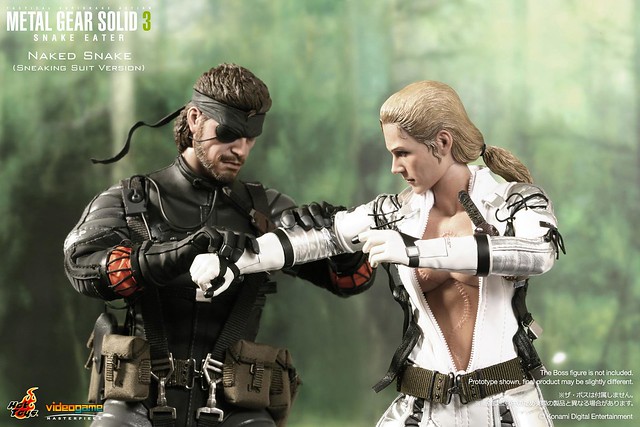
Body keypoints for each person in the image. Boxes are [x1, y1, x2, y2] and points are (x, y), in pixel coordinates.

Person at [190, 80, 566, 426]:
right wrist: (235, 261)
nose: (395, 167)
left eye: (403, 153)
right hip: (422, 408)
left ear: (442, 143)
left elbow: (538, 253)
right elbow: (320, 238)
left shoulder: (514, 201)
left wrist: (417, 251)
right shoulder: (394, 212)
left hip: (509, 408)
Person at [62, 63, 375, 427]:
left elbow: (351, 280)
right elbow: (81, 265)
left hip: (236, 407)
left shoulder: (266, 210)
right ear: (195, 118)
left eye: (250, 138)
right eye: (228, 133)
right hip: (139, 404)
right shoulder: (133, 201)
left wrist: (343, 245)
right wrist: (174, 254)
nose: (240, 149)